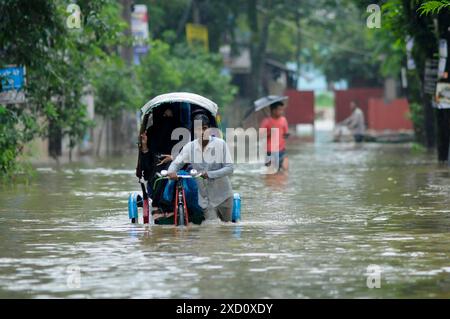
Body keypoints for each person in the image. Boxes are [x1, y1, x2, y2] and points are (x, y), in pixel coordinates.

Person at [167, 114, 234, 222]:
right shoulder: (190, 147)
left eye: (204, 128)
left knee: (226, 229)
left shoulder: (220, 144)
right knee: (211, 229)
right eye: (198, 129)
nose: (202, 132)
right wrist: (171, 172)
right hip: (205, 199)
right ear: (194, 131)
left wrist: (209, 174)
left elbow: (230, 168)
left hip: (224, 196)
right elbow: (176, 163)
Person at [260, 101, 289, 171]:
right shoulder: (266, 121)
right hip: (270, 151)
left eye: (282, 109)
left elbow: (286, 134)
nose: (282, 112)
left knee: (285, 171)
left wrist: (286, 135)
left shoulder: (283, 120)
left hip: (282, 150)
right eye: (280, 110)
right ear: (273, 110)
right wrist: (270, 132)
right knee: (270, 174)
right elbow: (261, 136)